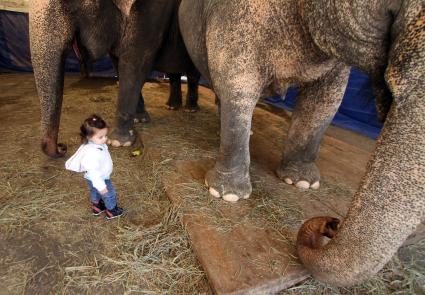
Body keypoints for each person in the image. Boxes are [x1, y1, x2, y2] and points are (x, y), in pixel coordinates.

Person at [65, 114, 125, 220]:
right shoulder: (92, 153)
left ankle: (97, 207)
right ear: (89, 137)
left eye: (105, 135)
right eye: (101, 137)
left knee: (94, 191)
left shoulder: (94, 144)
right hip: (100, 178)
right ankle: (112, 210)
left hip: (93, 178)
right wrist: (101, 186)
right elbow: (93, 172)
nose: (105, 139)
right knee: (109, 194)